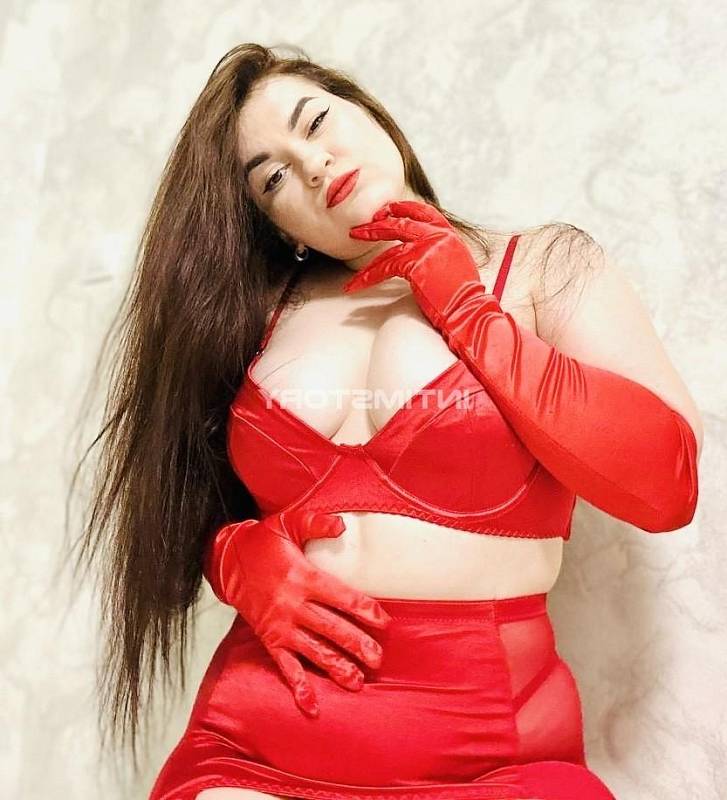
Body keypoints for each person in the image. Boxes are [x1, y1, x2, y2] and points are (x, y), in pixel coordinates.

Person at [72, 44, 702, 800]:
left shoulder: (540, 268)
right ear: (276, 225)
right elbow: (179, 511)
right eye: (273, 178)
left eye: (315, 122)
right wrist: (233, 556)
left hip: (486, 758)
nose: (311, 164)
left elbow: (666, 484)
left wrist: (469, 313)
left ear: (373, 115)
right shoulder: (258, 318)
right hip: (255, 741)